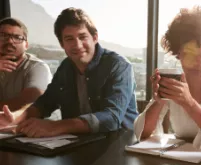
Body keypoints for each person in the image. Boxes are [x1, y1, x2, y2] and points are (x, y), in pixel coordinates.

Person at [0, 8, 138, 137]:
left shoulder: (119, 65)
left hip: (121, 144)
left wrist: (55, 126)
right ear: (62, 44)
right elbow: (44, 103)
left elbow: (111, 118)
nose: (77, 45)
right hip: (76, 145)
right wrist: (16, 117)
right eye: (69, 39)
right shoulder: (65, 67)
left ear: (95, 37)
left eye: (82, 37)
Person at [134, 6, 201, 150]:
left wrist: (189, 103)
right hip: (179, 162)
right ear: (179, 52)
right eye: (190, 52)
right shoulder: (175, 82)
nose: (198, 62)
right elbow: (141, 134)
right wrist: (158, 101)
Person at [0, 17, 52, 111]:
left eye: (17, 37)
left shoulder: (37, 67)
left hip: (28, 125)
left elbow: (28, 102)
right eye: (3, 36)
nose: (10, 41)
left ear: (26, 45)